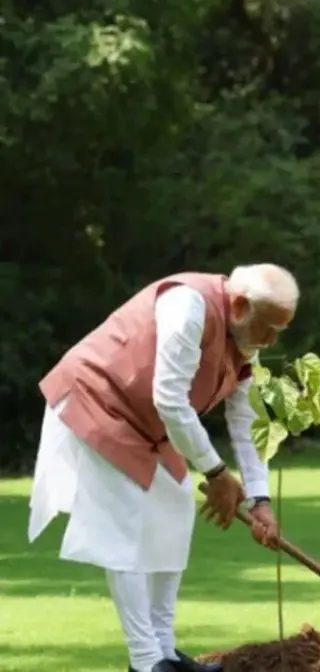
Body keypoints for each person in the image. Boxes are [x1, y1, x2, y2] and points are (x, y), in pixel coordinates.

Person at [27, 264, 300, 672]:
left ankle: (166, 652)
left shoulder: (244, 342)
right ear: (241, 306)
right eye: (269, 328)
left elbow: (244, 422)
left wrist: (260, 498)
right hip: (97, 403)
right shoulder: (188, 305)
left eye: (281, 330)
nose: (273, 340)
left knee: (174, 513)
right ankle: (145, 661)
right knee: (124, 530)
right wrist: (216, 473)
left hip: (151, 426)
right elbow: (171, 399)